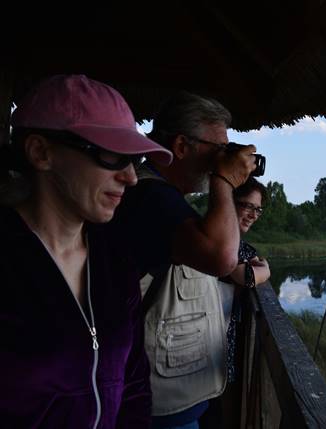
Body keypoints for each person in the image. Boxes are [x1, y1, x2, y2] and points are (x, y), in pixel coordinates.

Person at [0, 74, 173, 428]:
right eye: (111, 156)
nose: (131, 177)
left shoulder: (114, 260)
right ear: (41, 152)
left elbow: (134, 384)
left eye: (134, 160)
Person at [109, 91, 256, 429]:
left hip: (167, 396)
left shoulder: (165, 198)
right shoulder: (151, 197)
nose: (223, 159)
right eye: (219, 149)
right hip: (156, 407)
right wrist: (224, 180)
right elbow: (221, 256)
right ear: (180, 146)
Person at [221, 177, 270, 383]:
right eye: (248, 206)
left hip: (220, 335)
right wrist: (266, 270)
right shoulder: (222, 238)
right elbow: (247, 276)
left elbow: (251, 259)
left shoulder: (237, 242)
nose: (253, 215)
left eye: (258, 209)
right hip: (207, 338)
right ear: (229, 201)